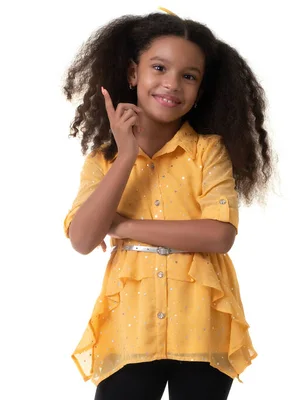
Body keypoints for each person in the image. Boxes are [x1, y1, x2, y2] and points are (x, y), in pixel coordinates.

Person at [62, 7, 273, 400]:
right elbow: (82, 238)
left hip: (203, 326)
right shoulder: (103, 162)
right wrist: (126, 157)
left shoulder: (208, 152)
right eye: (159, 68)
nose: (172, 84)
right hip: (130, 328)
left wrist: (122, 226)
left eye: (188, 76)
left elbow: (219, 234)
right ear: (132, 74)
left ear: (200, 89)